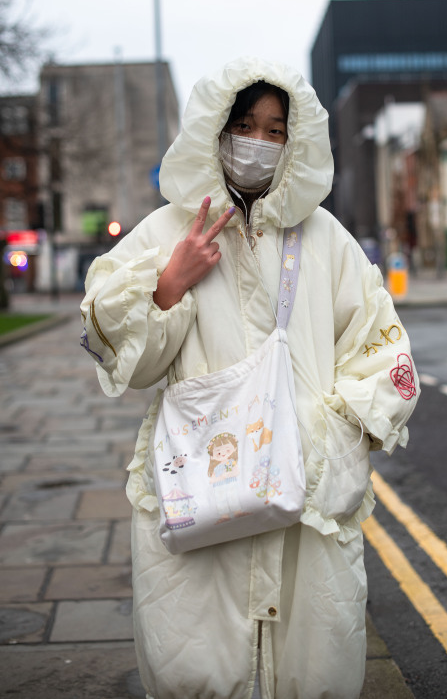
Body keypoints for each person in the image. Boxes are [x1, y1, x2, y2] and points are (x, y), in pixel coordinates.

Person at [80, 56, 419, 699]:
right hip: (197, 496)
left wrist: (333, 434)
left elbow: (385, 350)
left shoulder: (329, 241)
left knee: (313, 655)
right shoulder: (167, 231)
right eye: (244, 125)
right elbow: (114, 346)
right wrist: (167, 287)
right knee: (194, 659)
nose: (258, 143)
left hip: (304, 499)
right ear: (215, 129)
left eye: (274, 130)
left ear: (296, 142)